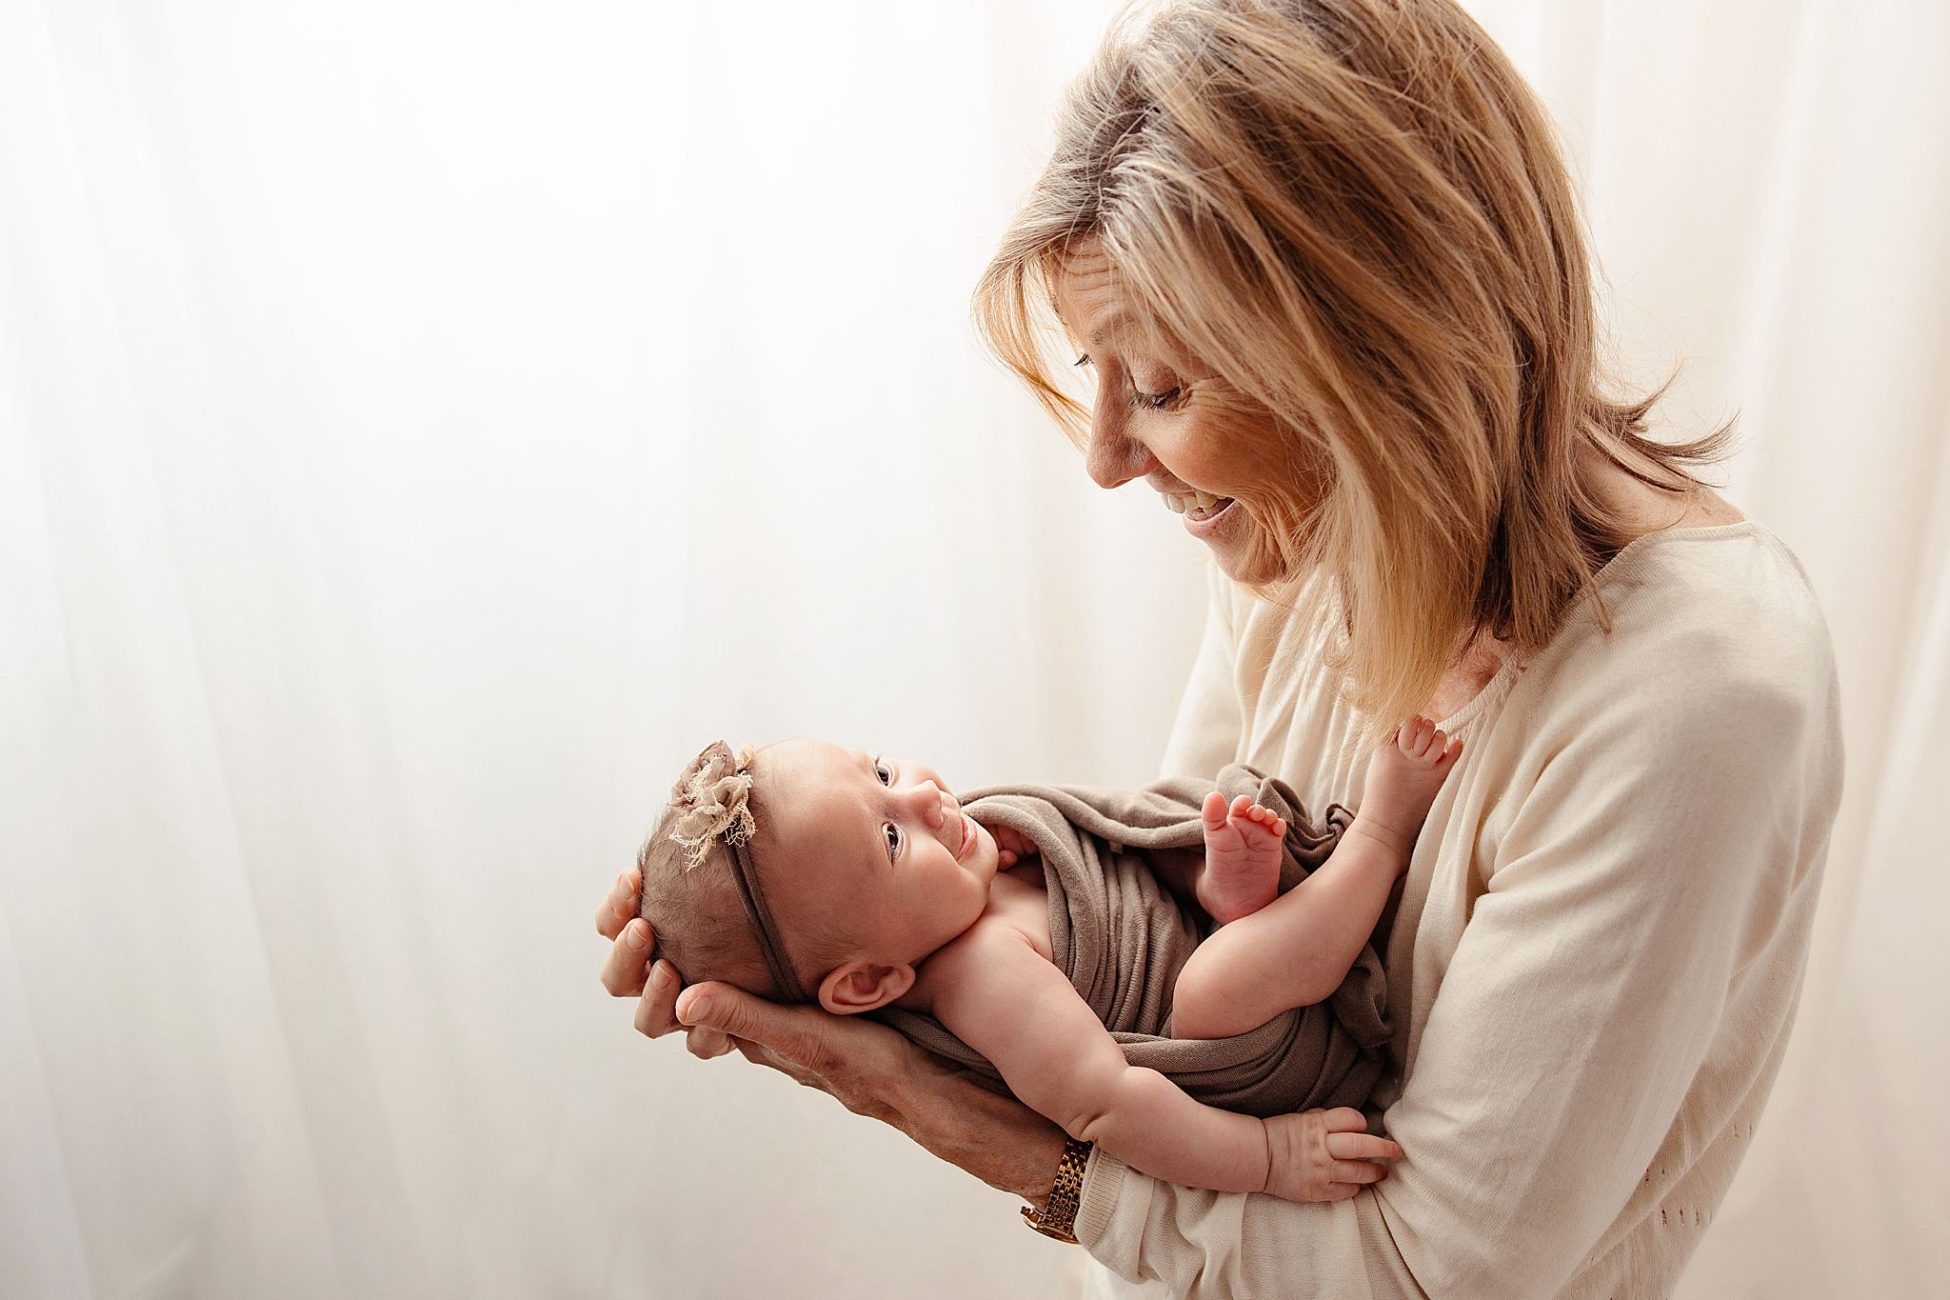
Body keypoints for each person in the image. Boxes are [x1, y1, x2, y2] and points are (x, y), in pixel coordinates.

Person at [596, 1, 1844, 1294]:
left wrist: (962, 1123)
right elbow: (1167, 968)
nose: (1103, 457)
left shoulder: (1690, 696)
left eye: (1163, 387)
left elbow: (1422, 1274)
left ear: (1377, 352)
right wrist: (783, 926)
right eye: (1095, 372)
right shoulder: (1319, 530)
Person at [631, 722, 1457, 1207]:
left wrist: (1193, 879)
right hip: (1254, 1059)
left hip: (1203, 939)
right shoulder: (982, 976)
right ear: (869, 983)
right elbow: (1112, 1104)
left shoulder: (973, 866)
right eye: (889, 837)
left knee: (1191, 857)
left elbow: (1110, 853)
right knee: (1209, 989)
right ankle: (1382, 838)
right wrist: (1271, 1158)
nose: (923, 799)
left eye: (881, 771)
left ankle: (1225, 892)